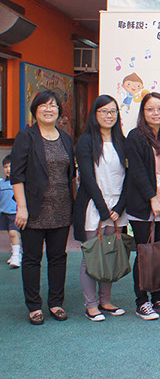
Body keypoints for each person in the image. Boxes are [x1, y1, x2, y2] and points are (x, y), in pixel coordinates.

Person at [11, 91, 76, 325]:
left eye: (53, 105)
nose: (49, 109)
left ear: (59, 111)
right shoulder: (26, 137)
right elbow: (17, 175)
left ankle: (56, 303)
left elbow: (70, 174)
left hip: (62, 208)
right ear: (35, 110)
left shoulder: (65, 138)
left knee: (58, 258)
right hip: (34, 210)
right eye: (44, 106)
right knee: (32, 259)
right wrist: (22, 207)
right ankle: (34, 306)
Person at [73, 95, 128, 322]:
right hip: (94, 206)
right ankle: (91, 305)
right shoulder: (86, 141)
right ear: (95, 114)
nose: (109, 115)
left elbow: (129, 176)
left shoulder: (122, 141)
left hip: (117, 208)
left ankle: (106, 301)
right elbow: (87, 178)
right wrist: (104, 209)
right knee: (92, 256)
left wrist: (120, 206)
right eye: (104, 111)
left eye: (113, 111)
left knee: (109, 254)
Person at [126, 92, 160, 320]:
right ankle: (142, 301)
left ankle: (158, 298)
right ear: (143, 112)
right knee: (144, 253)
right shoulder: (135, 137)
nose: (156, 113)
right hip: (143, 205)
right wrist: (152, 198)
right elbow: (137, 171)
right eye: (150, 109)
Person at [1, 155, 22, 268]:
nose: (8, 169)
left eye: (11, 166)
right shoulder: (2, 183)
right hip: (5, 213)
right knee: (11, 233)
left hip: (16, 213)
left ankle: (16, 256)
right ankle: (16, 252)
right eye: (5, 167)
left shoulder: (20, 182)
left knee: (13, 233)